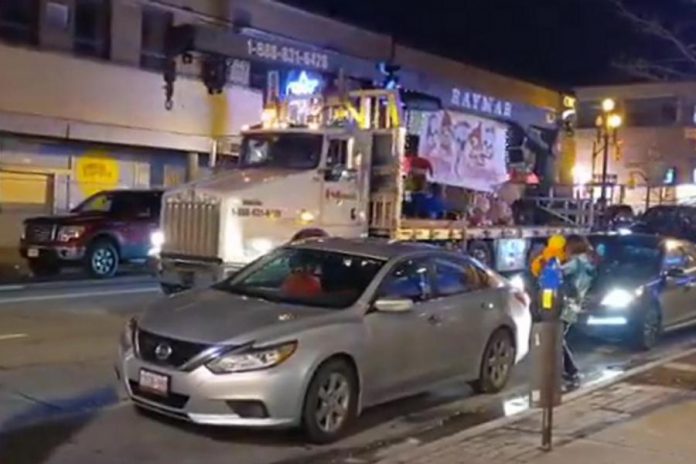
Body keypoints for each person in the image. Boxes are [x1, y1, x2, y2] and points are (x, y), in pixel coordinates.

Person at [559, 234, 596, 387]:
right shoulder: (587, 262)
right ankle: (568, 370)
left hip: (565, 304)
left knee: (556, 338)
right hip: (575, 305)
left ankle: (571, 370)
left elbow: (557, 272)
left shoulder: (575, 263)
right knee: (559, 337)